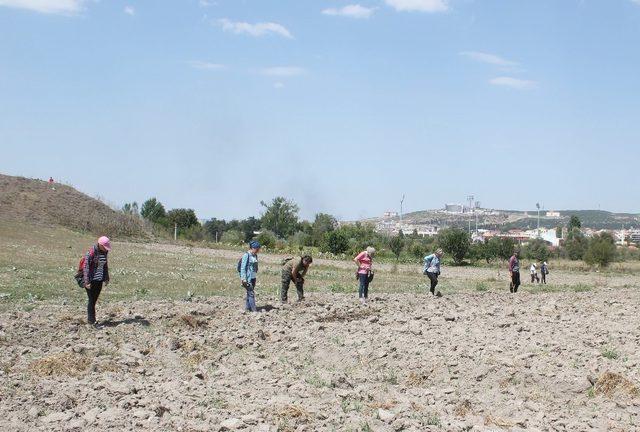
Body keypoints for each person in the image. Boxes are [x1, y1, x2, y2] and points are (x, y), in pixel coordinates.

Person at [82, 236, 111, 325]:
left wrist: (106, 278)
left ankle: (92, 319)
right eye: (104, 247)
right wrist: (86, 282)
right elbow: (86, 267)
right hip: (91, 280)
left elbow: (105, 265)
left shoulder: (104, 252)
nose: (106, 249)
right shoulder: (91, 253)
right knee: (91, 300)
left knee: (94, 300)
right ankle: (91, 321)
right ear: (100, 244)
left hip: (99, 279)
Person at [240, 241, 261, 312]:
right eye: (257, 249)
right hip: (247, 278)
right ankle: (254, 310)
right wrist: (243, 279)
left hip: (253, 278)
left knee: (249, 293)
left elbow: (255, 265)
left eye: (258, 249)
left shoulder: (255, 255)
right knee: (251, 293)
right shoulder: (246, 255)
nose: (258, 251)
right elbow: (242, 268)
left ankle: (247, 308)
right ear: (252, 248)